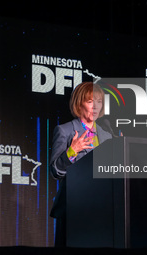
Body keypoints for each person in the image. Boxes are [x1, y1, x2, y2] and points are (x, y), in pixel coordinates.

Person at [49, 81, 112, 247]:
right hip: (74, 208)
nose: (95, 106)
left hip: (101, 208)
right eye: (90, 101)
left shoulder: (107, 137)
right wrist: (72, 151)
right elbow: (55, 171)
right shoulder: (65, 131)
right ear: (79, 104)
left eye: (99, 102)